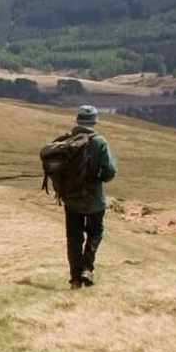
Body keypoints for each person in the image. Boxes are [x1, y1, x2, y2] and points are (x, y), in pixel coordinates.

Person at [62, 105, 118, 289]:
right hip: (94, 199)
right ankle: (87, 268)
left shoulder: (66, 141)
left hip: (72, 200)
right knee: (95, 233)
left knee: (74, 238)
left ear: (77, 120)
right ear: (94, 121)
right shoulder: (99, 142)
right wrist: (97, 178)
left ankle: (75, 279)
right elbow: (109, 172)